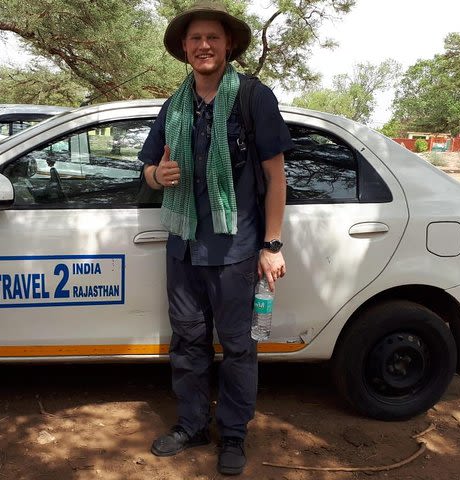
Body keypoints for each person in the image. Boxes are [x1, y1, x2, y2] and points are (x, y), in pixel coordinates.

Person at [138, 1, 293, 475]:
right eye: (195, 39)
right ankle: (190, 424)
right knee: (186, 342)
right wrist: (156, 173)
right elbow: (146, 169)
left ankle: (232, 432)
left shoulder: (252, 97)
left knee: (238, 344)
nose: (204, 46)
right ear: (184, 48)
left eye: (213, 38)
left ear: (228, 45)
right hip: (183, 245)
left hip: (235, 250)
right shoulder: (175, 105)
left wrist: (271, 244)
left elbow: (276, 176)